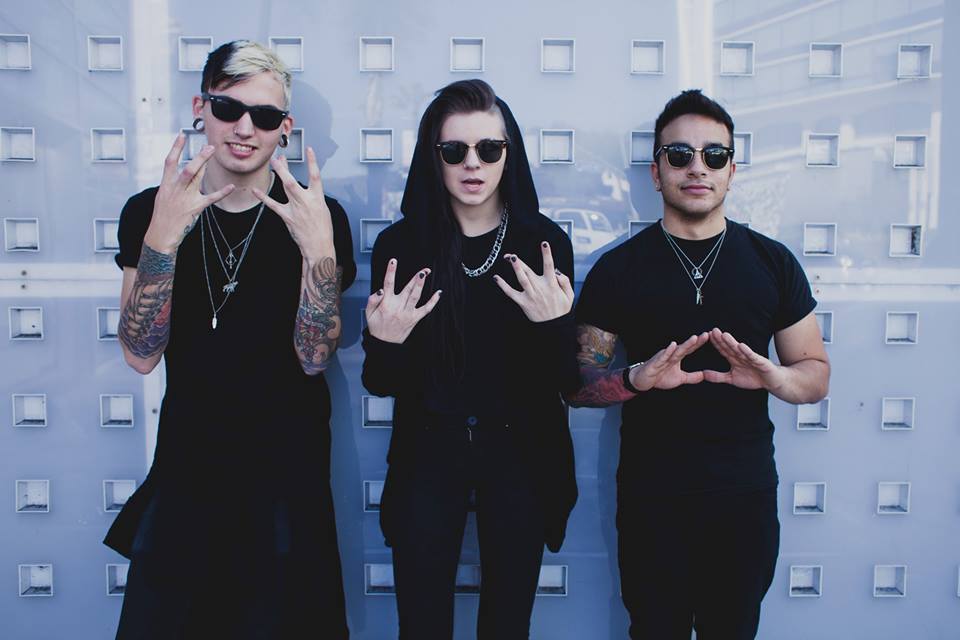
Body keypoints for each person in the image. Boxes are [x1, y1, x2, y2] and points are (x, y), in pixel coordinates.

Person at [104, 40, 355, 639]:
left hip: (287, 477)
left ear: (285, 128)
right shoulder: (149, 210)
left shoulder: (318, 214)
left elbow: (314, 357)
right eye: (228, 108)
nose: (245, 129)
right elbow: (140, 354)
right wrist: (163, 239)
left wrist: (318, 249)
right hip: (189, 470)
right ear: (201, 108)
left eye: (265, 116)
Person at [569, 89, 830, 639]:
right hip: (652, 497)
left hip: (743, 495)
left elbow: (814, 374)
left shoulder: (773, 263)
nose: (697, 167)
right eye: (679, 154)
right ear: (656, 171)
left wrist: (774, 376)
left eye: (714, 155)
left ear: (731, 170)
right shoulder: (618, 270)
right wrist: (636, 379)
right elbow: (578, 385)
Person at [361, 79, 579, 640]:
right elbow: (381, 382)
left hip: (522, 451)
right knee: (421, 624)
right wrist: (386, 341)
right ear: (432, 156)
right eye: (454, 149)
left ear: (510, 152)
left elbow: (566, 381)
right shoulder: (402, 247)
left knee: (508, 623)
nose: (473, 164)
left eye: (489, 148)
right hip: (429, 448)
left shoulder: (542, 244)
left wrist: (554, 327)